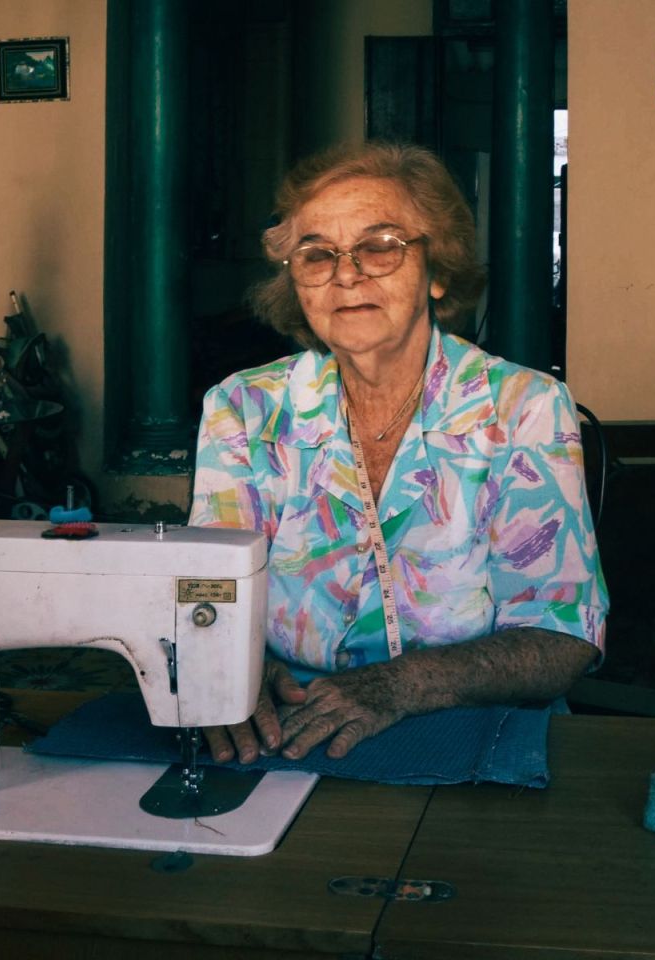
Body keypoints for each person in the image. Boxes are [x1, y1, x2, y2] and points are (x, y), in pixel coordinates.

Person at [189, 141, 607, 766]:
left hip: (473, 735)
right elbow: (208, 595)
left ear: (437, 271)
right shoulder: (245, 409)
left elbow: (563, 635)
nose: (346, 274)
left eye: (380, 246)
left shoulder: (523, 407)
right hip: (296, 732)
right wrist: (239, 672)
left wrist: (397, 686)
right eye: (317, 254)